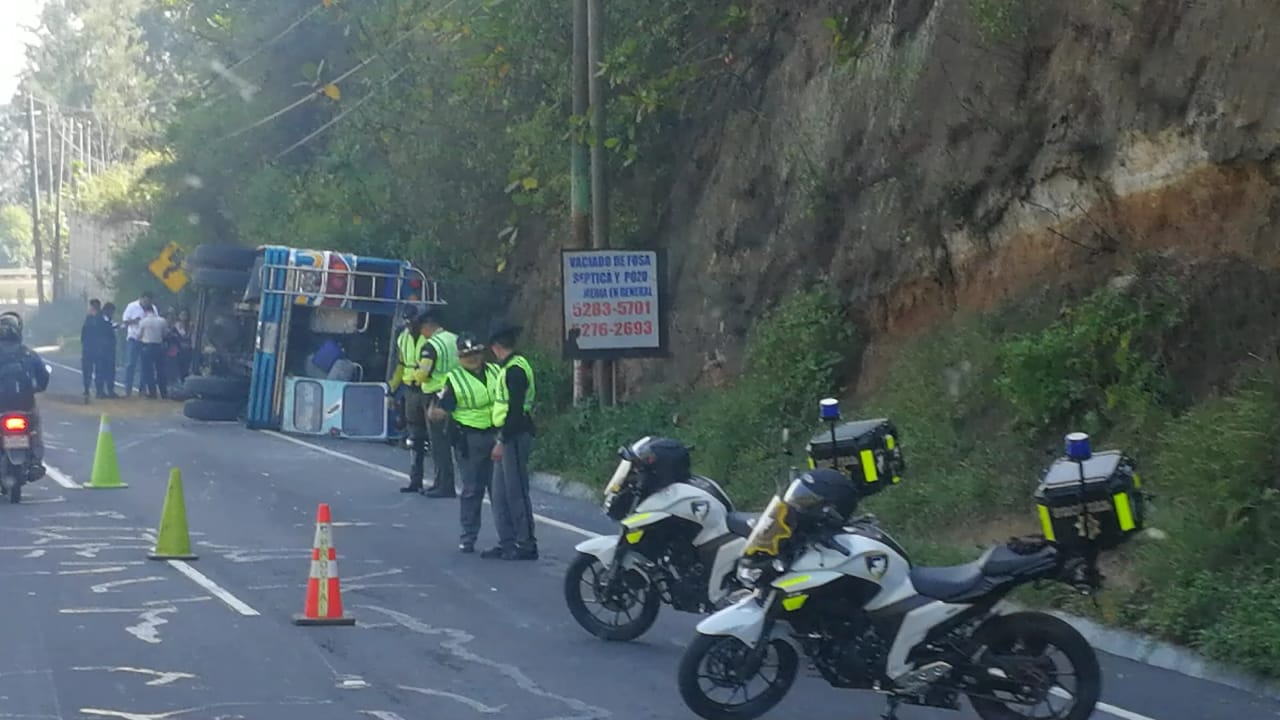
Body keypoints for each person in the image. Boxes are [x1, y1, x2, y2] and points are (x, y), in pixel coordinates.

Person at [428, 333, 500, 553]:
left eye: (476, 353)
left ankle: (507, 540)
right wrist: (437, 412)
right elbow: (439, 410)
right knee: (472, 490)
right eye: (467, 355)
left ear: (482, 352)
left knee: (499, 491)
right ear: (459, 357)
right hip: (470, 439)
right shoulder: (453, 379)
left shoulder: (496, 371)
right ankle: (468, 537)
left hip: (497, 436)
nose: (472, 358)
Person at [483, 319, 538, 561]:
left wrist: (501, 440)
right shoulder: (509, 368)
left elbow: (515, 411)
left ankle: (526, 543)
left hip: (513, 435)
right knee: (500, 492)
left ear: (496, 347)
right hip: (506, 434)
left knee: (516, 491)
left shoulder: (515, 370)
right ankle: (507, 542)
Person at [392, 304, 458, 496]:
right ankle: (417, 480)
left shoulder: (431, 342)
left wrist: (416, 376)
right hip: (417, 391)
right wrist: (392, 388)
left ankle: (443, 484)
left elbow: (425, 371)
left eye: (413, 323)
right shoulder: (404, 338)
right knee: (416, 437)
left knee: (437, 440)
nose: (410, 326)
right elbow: (401, 364)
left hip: (431, 392)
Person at [0, 312, 50, 483]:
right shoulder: (28, 353)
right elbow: (43, 377)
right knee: (35, 427)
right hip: (25, 404)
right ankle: (36, 461)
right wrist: (38, 388)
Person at [121, 291, 158, 397]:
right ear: (141, 298)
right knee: (130, 364)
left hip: (147, 339)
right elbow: (125, 321)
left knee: (145, 365)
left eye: (149, 302)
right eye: (145, 301)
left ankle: (142, 389)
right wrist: (135, 321)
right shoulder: (132, 306)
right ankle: (127, 389)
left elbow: (157, 321)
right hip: (133, 338)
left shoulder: (153, 308)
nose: (147, 304)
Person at [137, 309, 169, 399]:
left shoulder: (143, 321)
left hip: (147, 346)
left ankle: (152, 392)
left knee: (148, 371)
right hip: (159, 346)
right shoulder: (162, 321)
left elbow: (139, 335)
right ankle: (163, 392)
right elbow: (165, 334)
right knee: (161, 370)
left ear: (146, 312)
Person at [79, 299, 102, 404]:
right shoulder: (91, 318)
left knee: (95, 370)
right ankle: (90, 389)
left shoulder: (97, 318)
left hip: (93, 348)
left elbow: (84, 334)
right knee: (91, 370)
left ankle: (95, 390)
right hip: (91, 348)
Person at [98, 302, 119, 396]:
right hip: (102, 349)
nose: (112, 314)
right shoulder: (100, 319)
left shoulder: (109, 320)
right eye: (111, 311)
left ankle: (110, 390)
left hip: (110, 348)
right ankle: (100, 391)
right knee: (101, 370)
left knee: (110, 370)